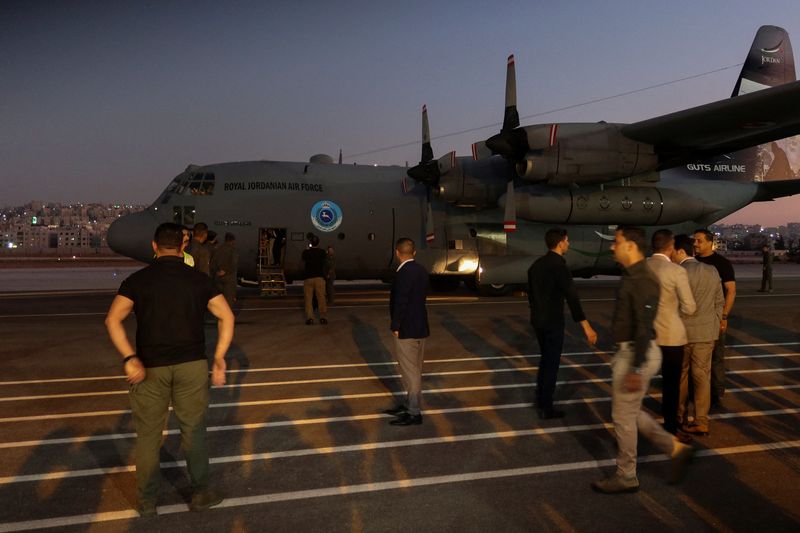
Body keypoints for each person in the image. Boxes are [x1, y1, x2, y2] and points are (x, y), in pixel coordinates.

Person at [104, 222, 234, 516]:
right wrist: (220, 357)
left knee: (149, 436)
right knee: (194, 432)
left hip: (149, 368)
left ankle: (147, 501)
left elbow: (112, 320)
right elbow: (226, 316)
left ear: (154, 246)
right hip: (192, 366)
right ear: (183, 246)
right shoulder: (199, 281)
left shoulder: (138, 281)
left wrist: (129, 357)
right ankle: (201, 493)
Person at [591, 226, 692, 494]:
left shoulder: (643, 279)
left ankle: (626, 475)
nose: (612, 246)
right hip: (632, 350)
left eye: (617, 242)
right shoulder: (631, 275)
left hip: (638, 351)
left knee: (622, 416)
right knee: (631, 412)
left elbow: (645, 326)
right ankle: (676, 449)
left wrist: (635, 367)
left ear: (631, 246)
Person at [527, 227, 597, 419]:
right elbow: (572, 298)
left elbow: (531, 295)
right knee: (552, 363)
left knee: (545, 359)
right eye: (567, 241)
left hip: (537, 320)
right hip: (553, 321)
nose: (568, 244)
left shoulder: (536, 265)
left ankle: (540, 398)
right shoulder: (560, 267)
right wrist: (586, 326)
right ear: (560, 242)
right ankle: (546, 407)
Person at [672, 234, 724, 436]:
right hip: (705, 333)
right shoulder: (711, 270)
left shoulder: (677, 272)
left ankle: (679, 415)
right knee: (702, 378)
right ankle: (701, 420)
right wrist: (715, 321)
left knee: (681, 376)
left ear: (680, 251)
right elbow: (719, 301)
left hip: (682, 334)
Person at [646, 229, 696, 436]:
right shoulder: (676, 271)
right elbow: (689, 307)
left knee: (639, 381)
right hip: (671, 335)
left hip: (646, 334)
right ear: (670, 247)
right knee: (671, 383)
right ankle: (670, 424)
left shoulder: (641, 267)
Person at [384, 238, 430, 426]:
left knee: (410, 372)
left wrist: (395, 325)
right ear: (414, 252)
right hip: (420, 326)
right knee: (415, 369)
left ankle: (413, 412)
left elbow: (401, 302)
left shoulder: (403, 273)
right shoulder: (421, 270)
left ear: (397, 253)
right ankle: (409, 404)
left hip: (407, 328)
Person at [693, 229, 736, 406]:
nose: (695, 244)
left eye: (699, 241)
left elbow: (731, 291)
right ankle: (693, 392)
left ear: (710, 242)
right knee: (694, 360)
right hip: (695, 319)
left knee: (717, 358)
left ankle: (716, 394)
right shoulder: (691, 262)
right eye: (694, 241)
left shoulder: (722, 263)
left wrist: (724, 316)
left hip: (714, 319)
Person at [302, 234, 328, 325]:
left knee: (308, 299)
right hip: (319, 278)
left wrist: (307, 249)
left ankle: (310, 318)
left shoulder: (306, 252)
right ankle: (323, 317)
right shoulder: (322, 252)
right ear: (318, 243)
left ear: (310, 243)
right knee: (321, 298)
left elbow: (303, 258)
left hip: (308, 278)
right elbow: (325, 260)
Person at [211, 232, 239, 309]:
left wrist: (217, 272)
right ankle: (226, 317)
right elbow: (234, 263)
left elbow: (212, 263)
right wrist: (225, 271)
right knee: (229, 300)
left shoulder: (218, 249)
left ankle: (218, 316)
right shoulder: (233, 250)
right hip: (229, 278)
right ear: (232, 241)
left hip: (218, 277)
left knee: (220, 298)